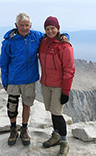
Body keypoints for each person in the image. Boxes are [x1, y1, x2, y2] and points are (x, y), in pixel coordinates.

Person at [0, 12, 69, 146]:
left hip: (29, 79)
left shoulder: (36, 36)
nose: (24, 28)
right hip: (14, 79)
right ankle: (13, 129)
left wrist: (66, 36)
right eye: (21, 25)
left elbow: (53, 34)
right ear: (16, 25)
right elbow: (3, 63)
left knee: (27, 105)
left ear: (30, 25)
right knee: (12, 107)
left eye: (27, 25)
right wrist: (5, 80)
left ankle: (24, 129)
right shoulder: (9, 41)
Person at [39, 16, 75, 156]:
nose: (50, 31)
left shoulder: (65, 46)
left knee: (57, 113)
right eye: (47, 29)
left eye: (52, 28)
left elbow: (69, 70)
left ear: (58, 28)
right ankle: (56, 134)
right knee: (52, 111)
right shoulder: (43, 42)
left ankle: (64, 141)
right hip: (46, 84)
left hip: (58, 86)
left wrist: (65, 91)